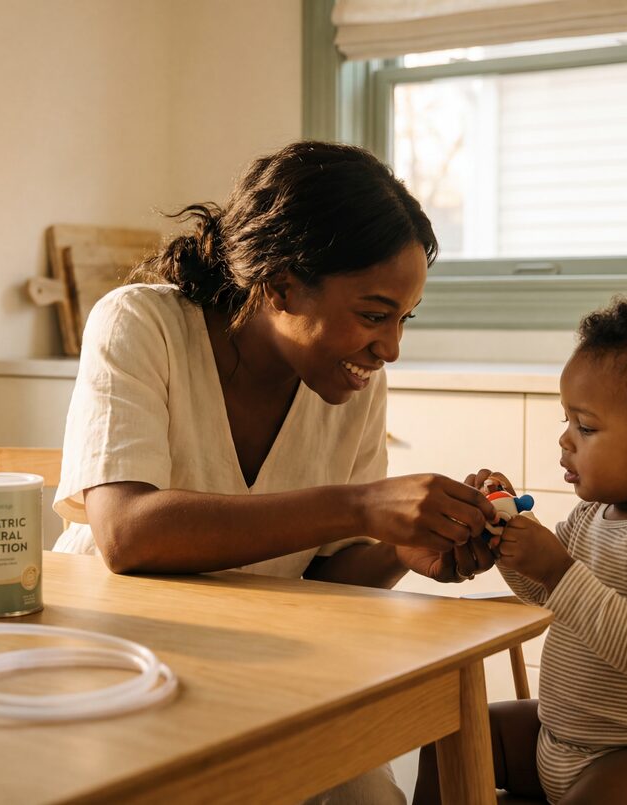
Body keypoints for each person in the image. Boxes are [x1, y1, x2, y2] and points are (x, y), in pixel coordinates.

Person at [52, 140, 500, 803]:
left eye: (404, 320)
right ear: (281, 282)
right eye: (374, 314)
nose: (392, 348)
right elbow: (126, 532)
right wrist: (362, 505)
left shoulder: (352, 382)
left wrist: (398, 548)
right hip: (117, 661)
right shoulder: (140, 325)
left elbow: (320, 576)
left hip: (261, 671)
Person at [413, 291, 627, 805]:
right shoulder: (593, 514)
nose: (566, 441)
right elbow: (540, 590)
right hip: (559, 739)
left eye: (585, 427)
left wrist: (557, 566)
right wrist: (505, 533)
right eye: (565, 421)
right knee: (448, 735)